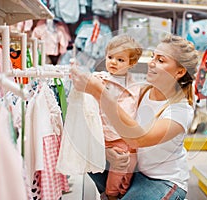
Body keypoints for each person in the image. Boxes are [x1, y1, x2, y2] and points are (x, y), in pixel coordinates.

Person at [70, 33, 199, 200]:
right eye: (153, 57)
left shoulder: (180, 111)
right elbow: (117, 130)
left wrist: (99, 92)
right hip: (135, 172)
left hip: (163, 181)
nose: (151, 63)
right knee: (87, 154)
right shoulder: (142, 92)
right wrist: (109, 153)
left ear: (180, 71)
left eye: (161, 60)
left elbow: (139, 139)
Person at [91, 34, 143, 200]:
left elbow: (133, 110)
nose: (113, 62)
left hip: (124, 135)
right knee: (119, 164)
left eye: (120, 60)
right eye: (110, 57)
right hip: (103, 134)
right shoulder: (100, 79)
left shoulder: (134, 87)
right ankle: (111, 194)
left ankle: (123, 189)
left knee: (131, 161)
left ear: (131, 63)